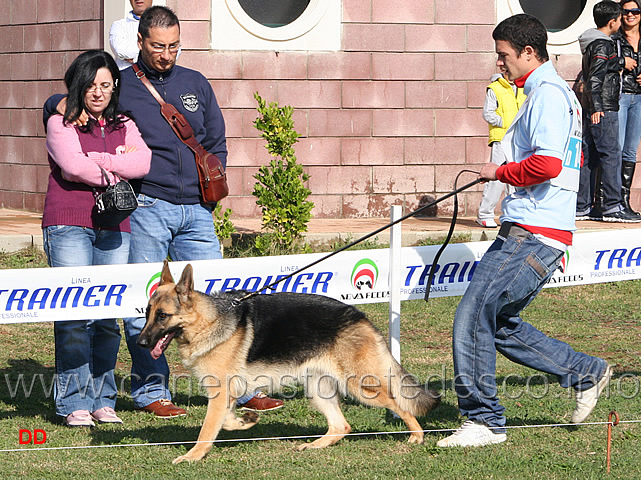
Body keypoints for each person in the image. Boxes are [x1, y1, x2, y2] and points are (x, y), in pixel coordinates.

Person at [45, 6, 281, 417]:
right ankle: (153, 393)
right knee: (147, 307)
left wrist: (209, 192)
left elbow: (216, 139)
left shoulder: (195, 82)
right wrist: (57, 102)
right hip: (147, 208)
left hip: (197, 212)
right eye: (158, 46)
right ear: (139, 42)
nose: (166, 54)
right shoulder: (123, 85)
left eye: (173, 46)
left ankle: (240, 390)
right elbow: (76, 92)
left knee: (223, 303)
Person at [437, 14, 612, 448]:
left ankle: (483, 421)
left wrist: (499, 170)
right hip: (538, 229)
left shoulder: (548, 97)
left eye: (504, 55)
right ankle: (585, 372)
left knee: (472, 316)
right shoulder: (552, 95)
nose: (500, 64)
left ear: (528, 52)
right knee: (498, 322)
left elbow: (548, 165)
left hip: (533, 231)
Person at [42, 50, 151, 427]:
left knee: (106, 317)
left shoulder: (124, 121)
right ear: (78, 85)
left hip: (114, 224)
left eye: (106, 85)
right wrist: (114, 162)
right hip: (69, 223)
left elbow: (143, 162)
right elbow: (71, 167)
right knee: (75, 315)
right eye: (91, 85)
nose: (98, 92)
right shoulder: (62, 120)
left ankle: (103, 399)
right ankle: (73, 402)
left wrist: (100, 159)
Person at [577, 1, 640, 222]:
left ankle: (582, 206)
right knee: (611, 153)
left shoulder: (595, 42)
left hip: (598, 105)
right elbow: (595, 78)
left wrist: (620, 61)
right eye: (621, 16)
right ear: (613, 21)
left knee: (591, 155)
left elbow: (600, 69)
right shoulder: (603, 44)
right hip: (605, 106)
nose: (625, 18)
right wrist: (596, 106)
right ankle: (613, 207)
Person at [476, 71, 525, 228]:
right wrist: (506, 122)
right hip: (501, 138)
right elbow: (487, 113)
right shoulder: (495, 88)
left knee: (515, 176)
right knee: (495, 178)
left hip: (519, 139)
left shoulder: (523, 87)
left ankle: (513, 214)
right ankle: (485, 214)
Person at [614, 1, 641, 216]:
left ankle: (625, 201)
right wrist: (622, 62)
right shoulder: (614, 39)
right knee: (617, 147)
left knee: (631, 150)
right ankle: (611, 202)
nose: (630, 15)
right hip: (620, 96)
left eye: (635, 11)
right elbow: (601, 63)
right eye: (626, 11)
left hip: (639, 99)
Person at [109, 0, 153, 70]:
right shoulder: (119, 25)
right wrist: (152, 52)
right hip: (126, 79)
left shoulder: (165, 24)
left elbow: (172, 52)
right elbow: (119, 50)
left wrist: (134, 59)